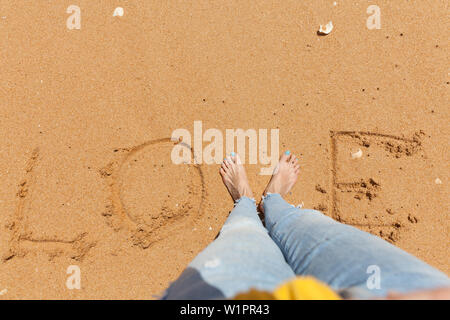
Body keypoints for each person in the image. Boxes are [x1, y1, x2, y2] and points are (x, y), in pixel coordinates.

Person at [163, 151, 450, 299]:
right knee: (309, 228)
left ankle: (247, 203)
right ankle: (273, 201)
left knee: (244, 236)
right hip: (397, 291)